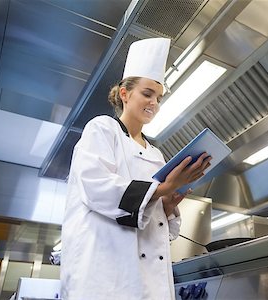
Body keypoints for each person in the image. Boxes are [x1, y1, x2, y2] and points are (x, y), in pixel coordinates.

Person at [60, 38, 211, 300]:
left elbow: (151, 218)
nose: (154, 103)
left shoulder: (156, 154)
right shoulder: (102, 129)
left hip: (148, 281)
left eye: (159, 97)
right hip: (106, 277)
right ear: (124, 93)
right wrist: (164, 187)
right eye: (147, 93)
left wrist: (166, 205)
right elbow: (98, 188)